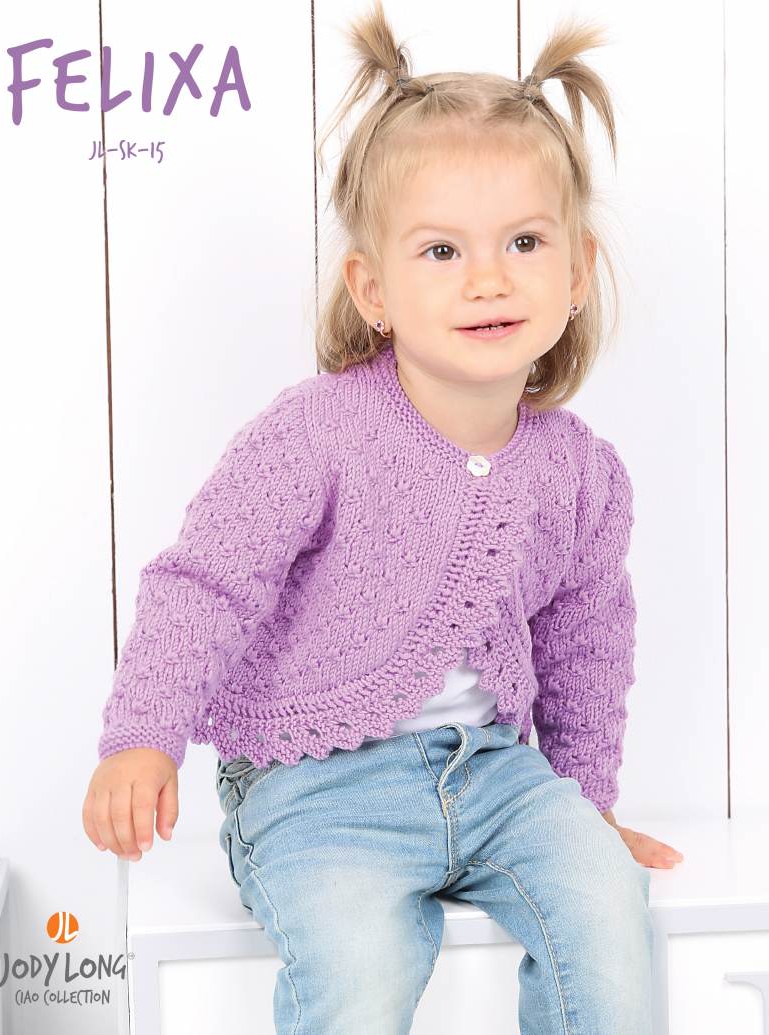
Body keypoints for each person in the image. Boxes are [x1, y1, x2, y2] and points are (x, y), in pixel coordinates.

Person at [83, 2, 684, 1031]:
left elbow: (587, 644)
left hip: (497, 777)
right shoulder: (315, 434)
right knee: (361, 966)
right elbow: (206, 583)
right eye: (441, 251)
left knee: (609, 916)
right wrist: (143, 736)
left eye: (524, 241)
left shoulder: (581, 476)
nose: (488, 277)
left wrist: (585, 810)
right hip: (314, 789)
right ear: (372, 288)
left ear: (576, 271)